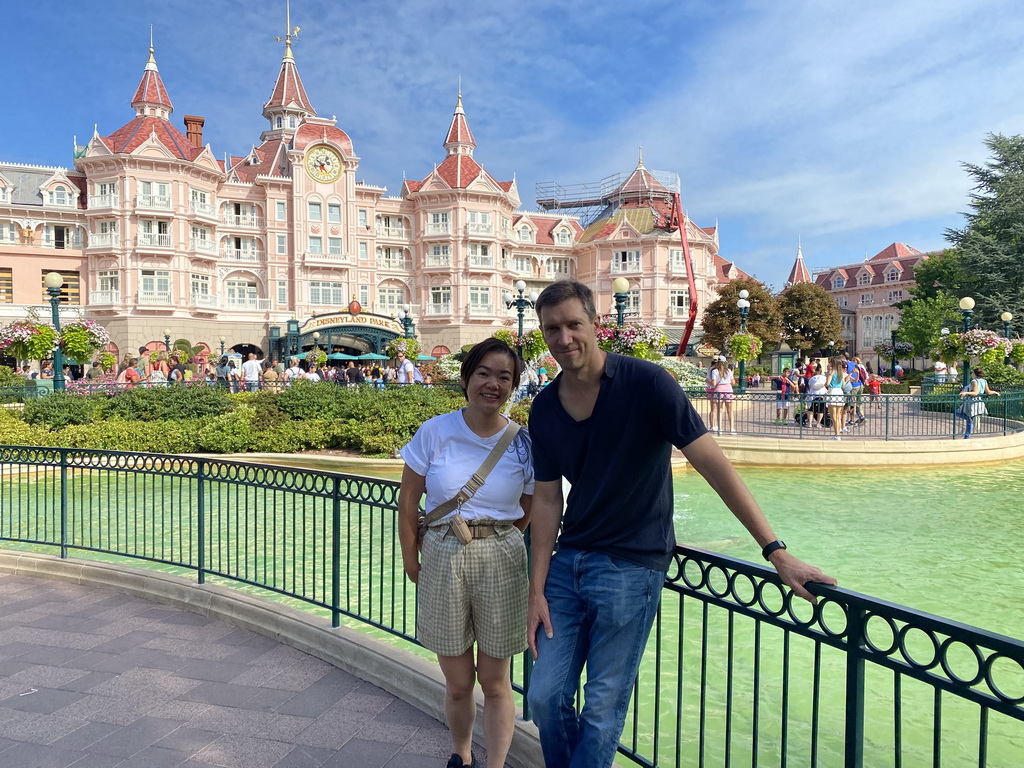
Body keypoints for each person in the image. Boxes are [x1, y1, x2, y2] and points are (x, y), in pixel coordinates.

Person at [525, 280, 835, 768]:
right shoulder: (544, 406)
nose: (563, 338)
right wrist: (536, 586)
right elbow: (546, 501)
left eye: (573, 325)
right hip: (568, 564)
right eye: (552, 329)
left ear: (594, 324)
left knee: (603, 707)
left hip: (631, 566)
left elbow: (715, 466)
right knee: (543, 697)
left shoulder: (648, 383)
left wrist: (774, 549)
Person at [398, 338, 534, 768]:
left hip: (501, 556)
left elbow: (531, 505)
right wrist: (410, 558)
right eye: (484, 373)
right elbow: (408, 501)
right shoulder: (435, 431)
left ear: (512, 387)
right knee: (457, 683)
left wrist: (500, 537)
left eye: (504, 377)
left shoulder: (523, 443)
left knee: (495, 682)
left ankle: (494, 764)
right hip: (441, 552)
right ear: (466, 378)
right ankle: (461, 755)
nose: (493, 384)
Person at [958, 367, 999, 439]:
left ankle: (967, 434)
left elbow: (975, 392)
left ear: (975, 374)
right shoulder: (984, 381)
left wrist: (965, 392)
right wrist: (995, 392)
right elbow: (988, 392)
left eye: (972, 373)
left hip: (972, 401)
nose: (971, 374)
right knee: (969, 417)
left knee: (960, 414)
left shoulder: (974, 381)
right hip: (979, 401)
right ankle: (968, 433)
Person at [708, 356, 736, 435]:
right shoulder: (729, 371)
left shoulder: (715, 371)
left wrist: (707, 381)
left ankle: (720, 428)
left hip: (719, 390)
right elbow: (733, 382)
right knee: (730, 410)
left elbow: (714, 383)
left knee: (719, 410)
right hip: (728, 389)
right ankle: (732, 429)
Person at [825, 356, 849, 440]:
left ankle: (836, 435)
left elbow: (827, 383)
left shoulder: (832, 371)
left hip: (832, 392)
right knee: (838, 416)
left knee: (834, 417)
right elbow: (843, 385)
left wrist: (826, 383)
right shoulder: (841, 372)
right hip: (840, 392)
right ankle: (838, 434)